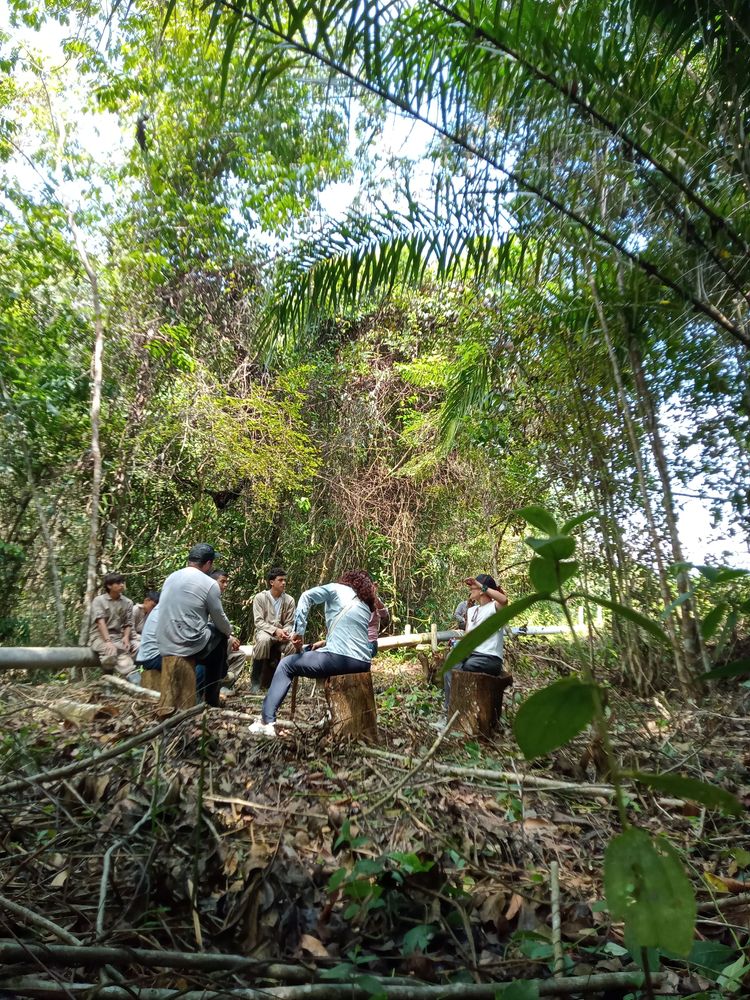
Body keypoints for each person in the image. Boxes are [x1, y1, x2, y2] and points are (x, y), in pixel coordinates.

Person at [249, 570, 375, 737]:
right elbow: (351, 636)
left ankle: (266, 721)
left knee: (286, 664)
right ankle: (332, 716)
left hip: (339, 658)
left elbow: (307, 596)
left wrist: (298, 632)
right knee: (311, 655)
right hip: (362, 662)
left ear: (346, 580)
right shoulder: (365, 605)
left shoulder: (337, 589)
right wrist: (323, 643)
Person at [157, 543, 233, 708]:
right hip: (187, 643)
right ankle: (211, 699)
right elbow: (219, 619)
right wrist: (230, 632)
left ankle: (199, 690)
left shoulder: (171, 577)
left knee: (211, 638)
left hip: (164, 641)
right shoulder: (209, 583)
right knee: (220, 638)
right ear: (207, 564)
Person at [442, 574, 509, 715]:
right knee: (450, 661)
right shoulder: (472, 610)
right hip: (471, 654)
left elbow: (504, 599)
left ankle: (465, 710)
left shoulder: (494, 608)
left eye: (473, 588)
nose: (470, 591)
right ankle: (450, 707)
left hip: (489, 657)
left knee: (467, 667)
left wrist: (481, 585)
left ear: (482, 590)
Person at [88, 573, 140, 684]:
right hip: (99, 637)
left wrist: (126, 637)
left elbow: (128, 623)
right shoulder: (99, 601)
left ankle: (134, 683)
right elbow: (100, 622)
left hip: (118, 637)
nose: (122, 585)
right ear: (109, 586)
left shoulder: (127, 602)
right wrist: (107, 641)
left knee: (127, 650)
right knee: (111, 653)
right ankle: (109, 684)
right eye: (118, 583)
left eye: (123, 582)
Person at [250, 567, 296, 693]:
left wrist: (286, 632)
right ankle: (256, 681)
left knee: (293, 645)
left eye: (285, 580)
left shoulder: (289, 600)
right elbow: (258, 621)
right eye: (280, 580)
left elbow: (290, 622)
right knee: (263, 640)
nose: (284, 583)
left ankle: (284, 681)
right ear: (272, 582)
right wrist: (275, 631)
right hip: (266, 632)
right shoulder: (260, 598)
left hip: (282, 635)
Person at [210, 569, 246, 683]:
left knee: (240, 655)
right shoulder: (208, 597)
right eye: (222, 581)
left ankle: (225, 683)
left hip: (217, 639)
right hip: (206, 642)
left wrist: (230, 637)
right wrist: (229, 637)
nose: (225, 585)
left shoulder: (217, 598)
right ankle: (215, 682)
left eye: (227, 582)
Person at [135, 602, 162, 673]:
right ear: (146, 601)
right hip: (149, 653)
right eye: (152, 605)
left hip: (145, 644)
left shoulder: (152, 612)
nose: (152, 607)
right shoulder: (136, 610)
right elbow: (129, 626)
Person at [368, 582, 390, 657]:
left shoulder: (376, 601)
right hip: (364, 640)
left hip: (370, 640)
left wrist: (375, 598)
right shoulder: (357, 601)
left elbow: (384, 614)